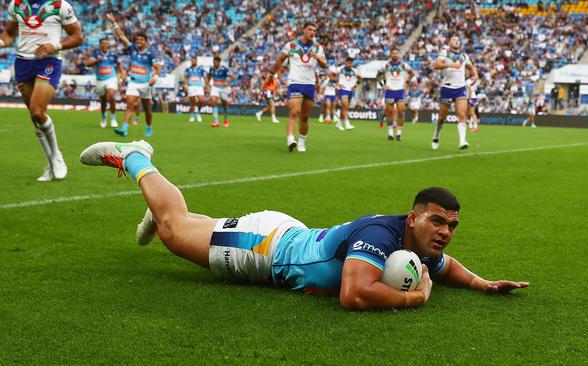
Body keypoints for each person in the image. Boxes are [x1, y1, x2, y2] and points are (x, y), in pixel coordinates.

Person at [79, 140, 529, 310]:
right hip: (265, 250)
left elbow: (443, 265)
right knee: (176, 232)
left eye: (451, 225)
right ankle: (137, 156)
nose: (445, 232)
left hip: (283, 236)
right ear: (413, 218)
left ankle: (159, 207)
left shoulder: (414, 239)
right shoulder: (379, 236)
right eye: (437, 221)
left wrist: (482, 283)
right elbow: (354, 294)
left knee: (183, 223)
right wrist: (415, 296)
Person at [1, 0, 83, 181]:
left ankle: (56, 156)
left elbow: (77, 36)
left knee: (38, 112)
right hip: (23, 63)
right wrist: (2, 41)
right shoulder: (16, 4)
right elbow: (9, 34)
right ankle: (50, 165)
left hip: (49, 61)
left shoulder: (60, 5)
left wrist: (55, 46)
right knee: (35, 118)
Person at [268, 22, 328, 152]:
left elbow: (324, 65)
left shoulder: (318, 48)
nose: (312, 32)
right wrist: (271, 74)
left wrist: (317, 57)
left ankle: (301, 142)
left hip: (309, 85)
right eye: (310, 29)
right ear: (304, 30)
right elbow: (279, 61)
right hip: (295, 82)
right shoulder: (291, 46)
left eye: (314, 31)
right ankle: (290, 139)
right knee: (294, 112)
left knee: (305, 117)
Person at [107, 14, 160, 138]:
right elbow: (121, 36)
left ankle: (149, 127)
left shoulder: (151, 55)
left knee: (147, 109)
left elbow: (158, 69)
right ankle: (124, 128)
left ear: (146, 42)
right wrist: (114, 23)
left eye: (141, 40)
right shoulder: (133, 50)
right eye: (137, 40)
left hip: (145, 84)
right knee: (130, 105)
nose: (138, 42)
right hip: (133, 83)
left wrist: (155, 78)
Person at [431, 36, 478, 150]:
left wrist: (475, 76)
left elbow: (471, 68)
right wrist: (450, 65)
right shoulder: (444, 52)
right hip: (447, 88)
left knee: (462, 114)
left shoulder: (464, 56)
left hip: (460, 88)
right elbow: (436, 65)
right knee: (442, 117)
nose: (457, 41)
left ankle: (462, 141)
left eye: (458, 40)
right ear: (449, 42)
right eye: (454, 39)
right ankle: (436, 135)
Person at [376, 48, 415, 141]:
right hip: (389, 91)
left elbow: (411, 73)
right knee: (389, 113)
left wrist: (407, 82)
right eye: (393, 53)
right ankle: (390, 134)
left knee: (401, 112)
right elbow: (377, 75)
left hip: (400, 91)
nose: (395, 55)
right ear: (390, 55)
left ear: (398, 55)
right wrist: (382, 85)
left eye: (396, 53)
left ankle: (398, 134)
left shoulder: (402, 64)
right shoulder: (386, 65)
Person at [87, 38, 122, 128]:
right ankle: (103, 117)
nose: (105, 45)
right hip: (100, 80)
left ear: (109, 45)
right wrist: (97, 60)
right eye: (103, 43)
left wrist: (122, 73)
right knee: (103, 100)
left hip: (111, 78)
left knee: (111, 95)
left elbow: (119, 64)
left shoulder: (114, 54)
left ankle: (113, 118)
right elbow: (88, 63)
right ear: (100, 45)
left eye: (107, 43)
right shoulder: (96, 54)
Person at [207, 55, 234, 128]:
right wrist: (207, 85)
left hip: (223, 88)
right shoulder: (212, 69)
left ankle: (225, 119)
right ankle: (216, 121)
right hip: (215, 87)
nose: (214, 63)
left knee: (224, 105)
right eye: (213, 62)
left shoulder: (224, 69)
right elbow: (209, 76)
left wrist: (227, 83)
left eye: (215, 62)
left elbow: (232, 77)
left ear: (219, 62)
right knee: (213, 101)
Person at [335, 57, 359, 131]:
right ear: (345, 62)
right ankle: (347, 123)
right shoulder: (340, 69)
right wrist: (336, 84)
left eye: (351, 62)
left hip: (350, 90)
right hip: (342, 89)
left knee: (344, 108)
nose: (349, 64)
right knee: (345, 105)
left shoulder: (355, 71)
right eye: (348, 62)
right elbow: (332, 75)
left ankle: (339, 124)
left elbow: (361, 78)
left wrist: (356, 85)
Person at [184, 56, 206, 123]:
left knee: (202, 100)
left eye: (194, 61)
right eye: (192, 61)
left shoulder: (201, 69)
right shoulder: (188, 69)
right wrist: (185, 85)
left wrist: (206, 84)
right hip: (191, 86)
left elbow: (205, 77)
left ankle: (198, 113)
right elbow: (186, 78)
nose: (193, 62)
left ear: (196, 61)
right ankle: (192, 115)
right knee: (193, 102)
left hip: (199, 86)